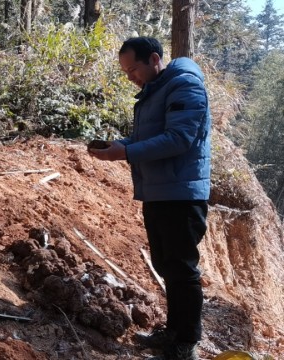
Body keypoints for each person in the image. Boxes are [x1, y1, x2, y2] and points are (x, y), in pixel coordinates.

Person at [89, 37, 210, 360]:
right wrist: (119, 144)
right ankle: (173, 332)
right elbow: (149, 137)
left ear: (154, 58)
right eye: (126, 72)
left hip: (181, 194)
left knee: (181, 269)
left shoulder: (185, 87)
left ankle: (186, 343)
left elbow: (179, 138)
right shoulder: (156, 91)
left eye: (133, 70)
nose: (131, 77)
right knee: (167, 265)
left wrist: (125, 153)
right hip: (159, 192)